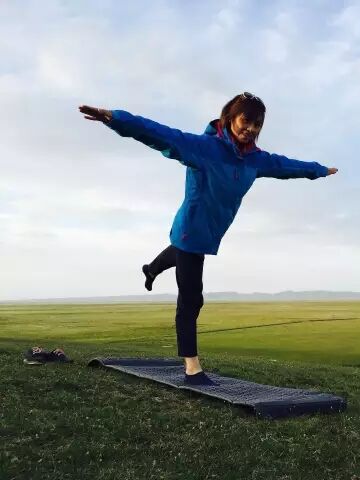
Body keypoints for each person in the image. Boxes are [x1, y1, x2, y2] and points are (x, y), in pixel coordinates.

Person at [79, 93, 338, 385]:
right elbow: (158, 134)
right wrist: (115, 118)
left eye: (257, 125)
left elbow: (286, 166)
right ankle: (191, 367)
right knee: (192, 297)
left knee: (181, 253)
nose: (251, 129)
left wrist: (318, 171)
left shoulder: (255, 160)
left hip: (209, 233)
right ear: (230, 118)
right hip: (191, 227)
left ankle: (150, 269)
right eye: (246, 121)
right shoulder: (204, 147)